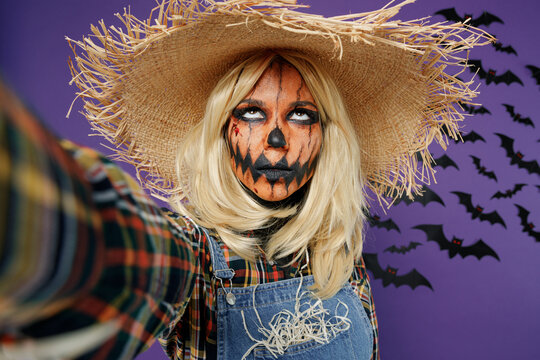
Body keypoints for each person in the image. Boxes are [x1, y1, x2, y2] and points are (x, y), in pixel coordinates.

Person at [0, 0, 491, 359]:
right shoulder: (195, 258)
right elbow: (105, 250)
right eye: (252, 112)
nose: (276, 140)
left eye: (301, 115)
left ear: (326, 138)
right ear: (222, 131)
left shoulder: (339, 255)